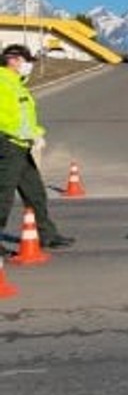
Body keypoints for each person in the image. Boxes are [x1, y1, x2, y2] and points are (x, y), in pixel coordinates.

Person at [0, 44, 75, 253]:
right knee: (3, 194)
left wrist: (36, 133)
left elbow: (22, 116)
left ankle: (47, 235)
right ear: (13, 60)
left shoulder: (16, 83)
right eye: (27, 61)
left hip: (22, 145)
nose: (29, 66)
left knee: (35, 193)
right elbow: (6, 119)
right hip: (8, 144)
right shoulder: (2, 82)